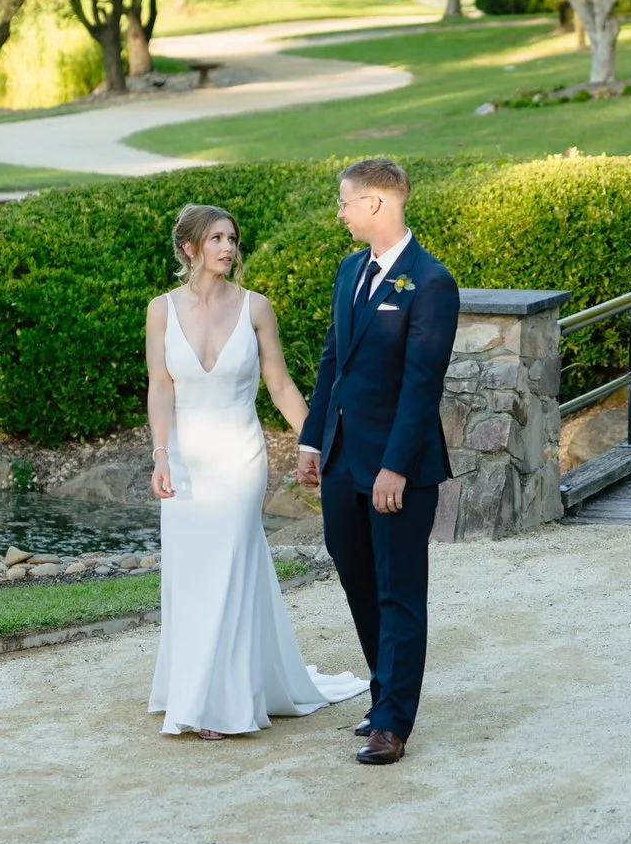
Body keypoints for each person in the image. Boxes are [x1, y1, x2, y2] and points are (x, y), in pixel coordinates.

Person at [145, 203, 369, 739]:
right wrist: (158, 454)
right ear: (189, 248)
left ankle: (218, 704)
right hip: (184, 461)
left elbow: (283, 386)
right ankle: (195, 686)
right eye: (216, 238)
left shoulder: (255, 308)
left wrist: (314, 443)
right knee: (191, 574)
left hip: (241, 458)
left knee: (228, 566)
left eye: (232, 238)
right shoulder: (160, 310)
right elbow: (160, 386)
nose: (228, 248)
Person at [296, 156, 460, 766]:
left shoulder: (431, 282)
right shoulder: (348, 272)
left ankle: (392, 721)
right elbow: (330, 363)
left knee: (399, 590)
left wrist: (395, 466)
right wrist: (313, 442)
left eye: (344, 202)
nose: (338, 213)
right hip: (341, 462)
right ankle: (383, 688)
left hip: (399, 469)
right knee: (357, 576)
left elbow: (423, 386)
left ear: (375, 204)